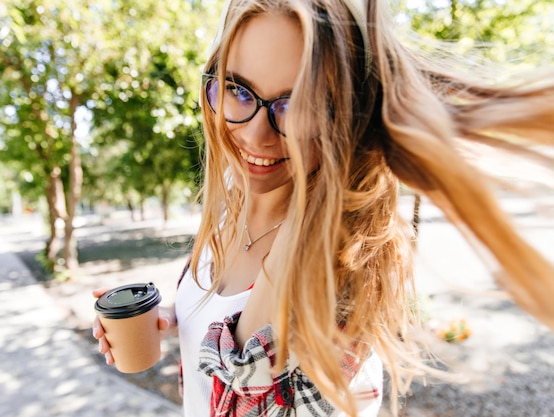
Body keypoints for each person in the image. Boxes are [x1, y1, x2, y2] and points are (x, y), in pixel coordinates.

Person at [92, 0, 554, 415]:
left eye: (301, 104)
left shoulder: (335, 281)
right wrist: (177, 318)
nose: (255, 136)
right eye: (237, 89)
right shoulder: (233, 207)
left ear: (346, 119)